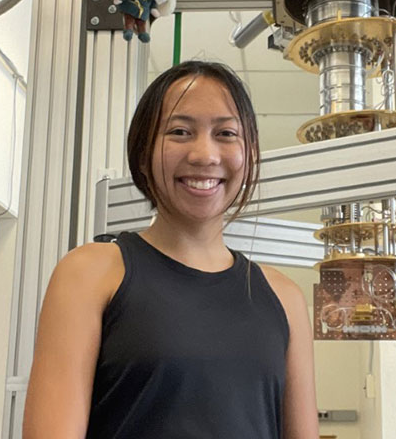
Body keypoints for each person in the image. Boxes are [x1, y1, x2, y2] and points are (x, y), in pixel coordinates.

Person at [23, 60, 319, 438]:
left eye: (226, 133)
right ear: (143, 153)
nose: (205, 155)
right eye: (180, 131)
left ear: (250, 155)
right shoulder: (92, 274)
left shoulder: (284, 297)